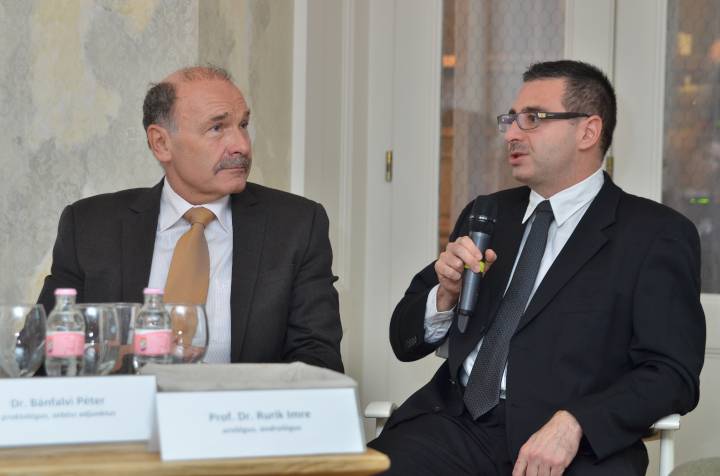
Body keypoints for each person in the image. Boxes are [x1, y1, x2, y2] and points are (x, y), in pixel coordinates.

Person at [368, 60, 705, 475]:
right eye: (510, 119)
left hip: (574, 446)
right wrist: (444, 297)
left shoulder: (654, 234)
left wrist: (577, 422)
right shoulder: (487, 214)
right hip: (453, 427)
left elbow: (672, 374)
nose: (511, 133)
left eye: (533, 119)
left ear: (588, 131)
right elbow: (404, 341)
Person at [37, 66, 343, 373]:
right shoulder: (90, 226)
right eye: (217, 128)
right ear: (161, 143)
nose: (242, 145)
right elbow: (41, 356)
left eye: (243, 125)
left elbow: (318, 363)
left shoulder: (296, 226)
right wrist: (115, 360)